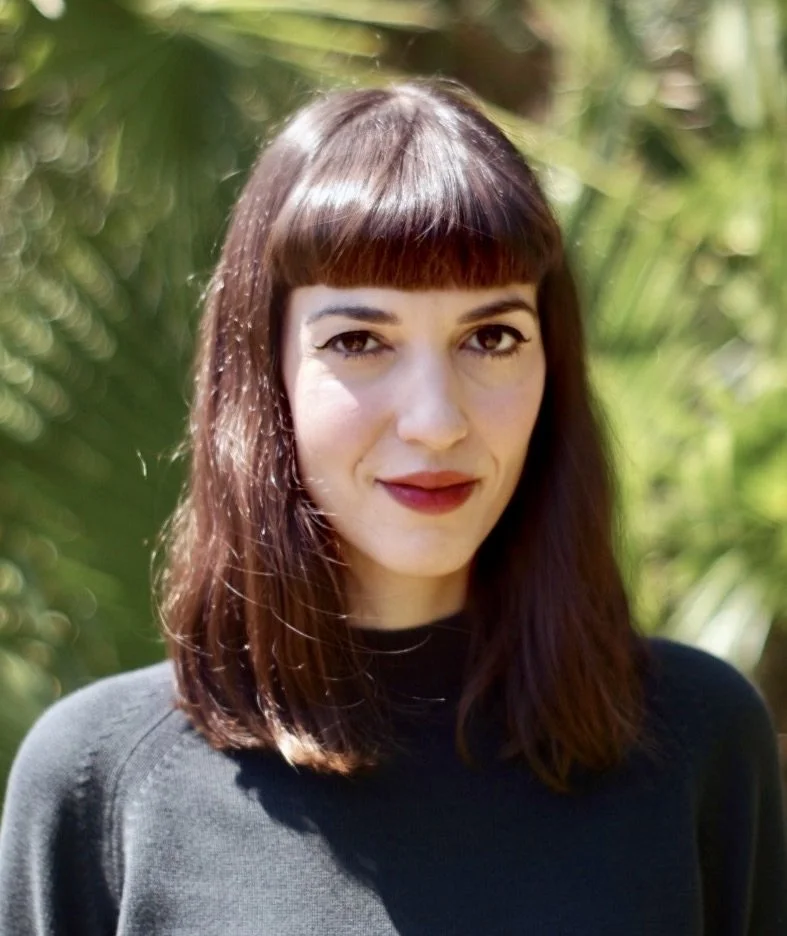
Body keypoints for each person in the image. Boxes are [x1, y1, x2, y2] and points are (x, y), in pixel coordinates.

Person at [0, 79, 784, 936]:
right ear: (266, 378)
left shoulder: (701, 744)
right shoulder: (98, 780)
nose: (437, 421)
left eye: (490, 338)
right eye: (359, 341)